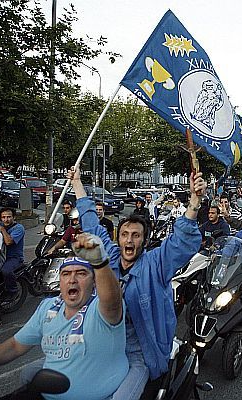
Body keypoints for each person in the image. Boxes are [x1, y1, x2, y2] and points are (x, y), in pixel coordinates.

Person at [71, 165, 205, 400]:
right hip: (104, 347)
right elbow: (91, 223)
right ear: (118, 238)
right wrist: (77, 183)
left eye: (136, 235)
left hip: (139, 353)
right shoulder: (109, 256)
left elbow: (180, 243)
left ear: (144, 240)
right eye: (124, 235)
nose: (129, 240)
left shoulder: (156, 264)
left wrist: (194, 202)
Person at [0, 234, 128, 399]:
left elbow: (112, 301)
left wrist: (99, 262)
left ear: (94, 282)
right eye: (66, 274)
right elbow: (15, 346)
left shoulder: (100, 308)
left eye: (81, 273)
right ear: (59, 280)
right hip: (44, 394)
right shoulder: (48, 307)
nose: (72, 280)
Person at [0, 208, 25, 299]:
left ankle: (13, 291)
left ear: (14, 217)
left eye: (9, 217)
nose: (6, 219)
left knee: (6, 271)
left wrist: (2, 229)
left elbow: (8, 242)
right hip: (0, 256)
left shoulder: (18, 228)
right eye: (3, 217)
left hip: (14, 258)